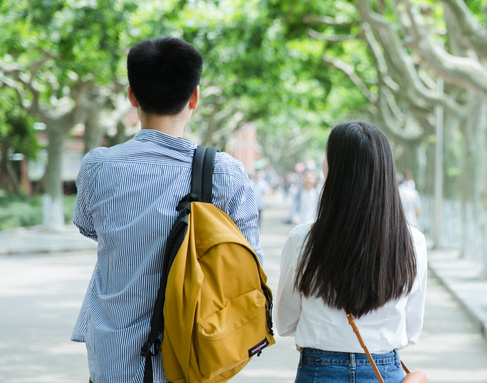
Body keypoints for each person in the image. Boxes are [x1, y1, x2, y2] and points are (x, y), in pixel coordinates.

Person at [71, 36, 263, 383]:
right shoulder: (225, 172)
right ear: (195, 97)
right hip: (194, 359)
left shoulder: (98, 167)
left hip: (114, 362)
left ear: (132, 96)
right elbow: (251, 265)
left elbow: (87, 226)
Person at [275, 121, 428, 383]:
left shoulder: (303, 239)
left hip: (318, 372)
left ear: (332, 169)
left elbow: (285, 321)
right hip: (384, 372)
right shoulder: (412, 242)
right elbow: (411, 330)